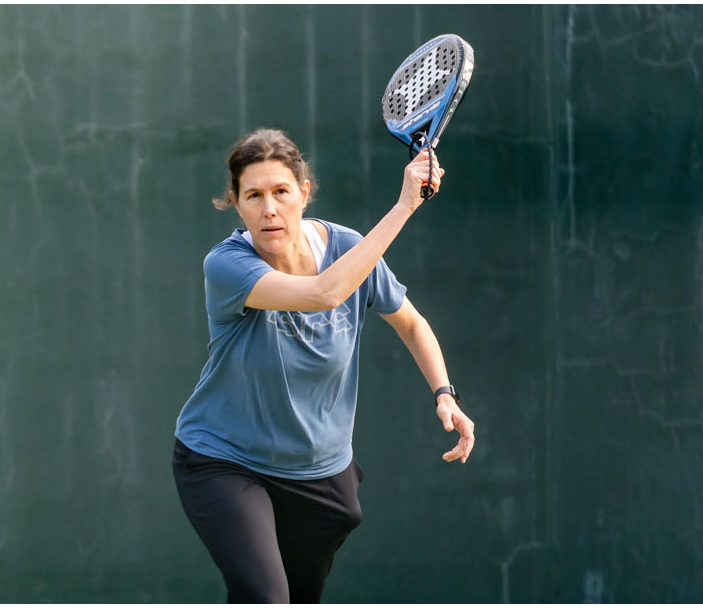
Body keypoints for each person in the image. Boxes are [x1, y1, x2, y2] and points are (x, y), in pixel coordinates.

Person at [172, 128, 475, 604]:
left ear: (304, 192)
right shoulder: (227, 265)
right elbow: (324, 294)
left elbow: (412, 324)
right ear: (235, 202)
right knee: (265, 597)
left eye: (281, 192)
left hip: (320, 474)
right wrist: (404, 206)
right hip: (225, 461)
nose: (269, 209)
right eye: (253, 196)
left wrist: (445, 393)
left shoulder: (348, 248)